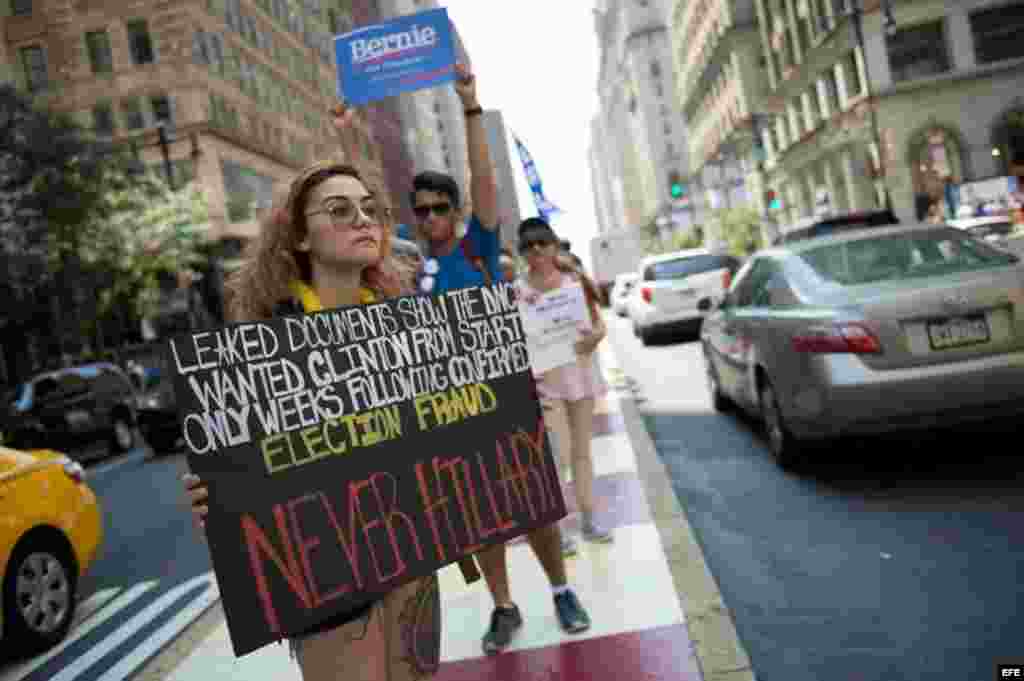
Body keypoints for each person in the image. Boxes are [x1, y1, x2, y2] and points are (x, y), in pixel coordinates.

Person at [334, 65, 592, 655]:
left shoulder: (478, 248)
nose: (429, 217)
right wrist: (347, 137)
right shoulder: (404, 265)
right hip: (447, 413)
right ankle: (503, 606)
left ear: (455, 211)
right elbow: (366, 209)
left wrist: (471, 108)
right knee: (477, 517)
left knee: (533, 508)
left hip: (505, 400)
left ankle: (560, 590)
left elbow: (484, 178)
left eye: (438, 208)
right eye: (421, 209)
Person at [181, 161, 440, 681]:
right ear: (300, 237)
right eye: (339, 210)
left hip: (408, 542)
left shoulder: (409, 327)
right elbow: (241, 467)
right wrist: (217, 495)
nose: (362, 219)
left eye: (370, 209)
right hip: (322, 561)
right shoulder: (259, 346)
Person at [517, 217, 613, 556]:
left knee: (582, 452)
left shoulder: (574, 281)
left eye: (542, 243)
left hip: (580, 376)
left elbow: (599, 325)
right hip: (545, 383)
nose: (537, 250)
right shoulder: (518, 291)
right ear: (522, 252)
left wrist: (593, 339)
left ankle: (589, 519)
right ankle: (559, 529)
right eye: (529, 245)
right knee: (557, 456)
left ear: (554, 245)